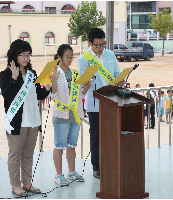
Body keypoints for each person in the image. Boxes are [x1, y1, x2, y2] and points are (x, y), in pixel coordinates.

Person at [0, 39, 50, 197]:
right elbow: (7, 95)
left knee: (28, 154)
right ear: (14, 55)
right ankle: (15, 185)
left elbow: (38, 95)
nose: (26, 58)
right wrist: (14, 79)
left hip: (33, 120)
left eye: (28, 55)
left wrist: (48, 87)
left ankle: (27, 183)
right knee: (15, 154)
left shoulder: (32, 74)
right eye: (22, 55)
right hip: (17, 122)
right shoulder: (6, 74)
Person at [77, 28, 124, 179]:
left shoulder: (110, 54)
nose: (101, 48)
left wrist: (121, 80)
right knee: (96, 136)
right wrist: (86, 82)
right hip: (95, 103)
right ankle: (97, 167)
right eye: (97, 45)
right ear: (90, 43)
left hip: (112, 100)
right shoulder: (83, 59)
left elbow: (117, 73)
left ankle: (111, 162)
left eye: (103, 44)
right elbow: (85, 82)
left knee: (112, 134)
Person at [50, 44, 90, 186]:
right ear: (59, 57)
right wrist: (53, 80)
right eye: (67, 57)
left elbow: (80, 94)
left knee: (72, 145)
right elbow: (52, 95)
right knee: (59, 145)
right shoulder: (56, 72)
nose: (70, 60)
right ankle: (59, 175)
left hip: (75, 113)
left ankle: (71, 172)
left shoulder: (74, 73)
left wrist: (86, 88)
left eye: (71, 57)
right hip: (61, 114)